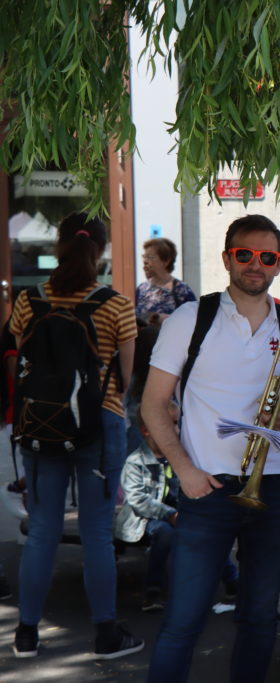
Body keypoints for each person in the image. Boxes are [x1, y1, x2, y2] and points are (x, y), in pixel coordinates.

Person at [142, 214, 280, 683]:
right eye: (244, 254)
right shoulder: (191, 318)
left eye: (267, 257)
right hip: (206, 487)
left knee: (259, 619)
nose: (255, 264)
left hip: (275, 488)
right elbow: (153, 405)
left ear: (279, 264)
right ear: (226, 258)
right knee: (183, 620)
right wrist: (185, 471)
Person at [11, 212, 141, 659]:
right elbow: (126, 379)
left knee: (43, 531)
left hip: (40, 422)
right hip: (99, 426)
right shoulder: (117, 304)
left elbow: (21, 359)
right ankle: (106, 634)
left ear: (59, 246)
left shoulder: (30, 300)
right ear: (100, 251)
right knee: (97, 535)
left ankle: (26, 633)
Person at [114, 406, 239, 612]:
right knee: (164, 533)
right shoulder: (135, 461)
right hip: (144, 519)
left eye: (177, 424)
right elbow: (138, 500)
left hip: (178, 514)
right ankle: (153, 591)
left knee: (205, 529)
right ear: (147, 430)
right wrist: (170, 514)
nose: (177, 430)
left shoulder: (180, 459)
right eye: (170, 424)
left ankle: (233, 583)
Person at [135, 238, 197, 325]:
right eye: (144, 257)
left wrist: (166, 319)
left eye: (150, 257)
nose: (145, 261)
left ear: (166, 261)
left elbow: (194, 320)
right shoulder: (141, 289)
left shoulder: (181, 289)